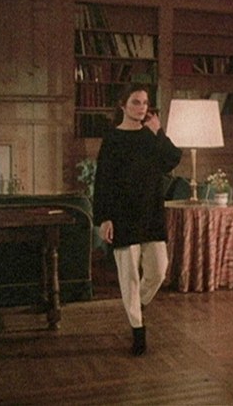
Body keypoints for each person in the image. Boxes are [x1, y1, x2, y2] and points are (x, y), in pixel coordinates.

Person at [93, 84, 182, 356]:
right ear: (123, 105)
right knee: (129, 277)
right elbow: (102, 182)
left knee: (158, 270)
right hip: (122, 216)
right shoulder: (112, 139)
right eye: (136, 102)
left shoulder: (150, 136)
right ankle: (137, 329)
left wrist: (159, 132)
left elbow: (172, 159)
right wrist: (104, 219)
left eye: (145, 102)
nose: (142, 107)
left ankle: (138, 305)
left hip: (151, 214)